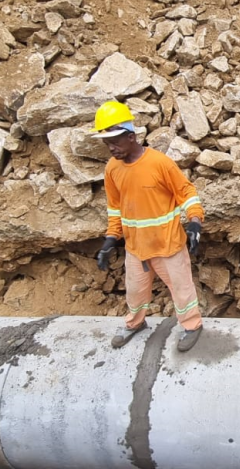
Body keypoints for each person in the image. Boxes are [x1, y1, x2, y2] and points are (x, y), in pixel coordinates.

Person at [92, 100, 205, 352]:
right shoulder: (112, 169)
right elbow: (115, 208)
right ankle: (134, 323)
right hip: (136, 248)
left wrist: (195, 220)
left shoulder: (159, 164)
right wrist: (111, 238)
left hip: (168, 245)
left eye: (115, 141)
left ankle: (191, 325)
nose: (111, 148)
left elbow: (186, 192)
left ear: (131, 137)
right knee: (135, 291)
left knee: (182, 289)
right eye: (106, 143)